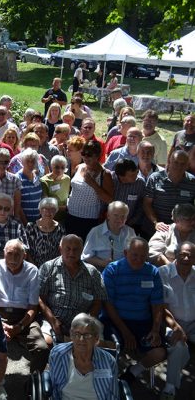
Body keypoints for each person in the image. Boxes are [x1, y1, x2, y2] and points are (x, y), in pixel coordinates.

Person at [101, 237, 167, 384]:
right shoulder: (112, 270)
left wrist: (155, 329)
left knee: (159, 352)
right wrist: (125, 331)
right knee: (110, 349)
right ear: (125, 253)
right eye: (134, 255)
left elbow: (157, 305)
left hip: (142, 322)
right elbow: (108, 304)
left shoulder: (152, 272)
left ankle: (133, 372)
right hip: (114, 321)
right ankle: (107, 381)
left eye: (143, 256)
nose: (138, 259)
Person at [0, 239, 49, 372]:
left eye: (17, 255)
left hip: (23, 317)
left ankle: (33, 384)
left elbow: (32, 307)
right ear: (4, 253)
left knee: (41, 348)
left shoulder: (32, 271)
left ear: (24, 255)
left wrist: (19, 327)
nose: (13, 258)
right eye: (10, 254)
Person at [39, 235, 107, 341]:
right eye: (68, 249)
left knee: (94, 347)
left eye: (76, 249)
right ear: (60, 249)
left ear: (82, 251)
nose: (72, 253)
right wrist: (53, 321)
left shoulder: (92, 272)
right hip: (53, 319)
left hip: (84, 322)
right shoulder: (48, 267)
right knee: (46, 344)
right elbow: (40, 298)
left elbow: (98, 301)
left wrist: (86, 322)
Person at [48, 313, 119, 400]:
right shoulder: (58, 354)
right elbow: (53, 390)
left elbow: (113, 394)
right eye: (77, 334)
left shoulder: (109, 361)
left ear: (96, 338)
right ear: (71, 335)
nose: (81, 339)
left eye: (87, 335)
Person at [158, 241, 195, 399]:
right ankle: (169, 387)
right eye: (183, 254)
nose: (186, 258)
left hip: (193, 324)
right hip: (170, 322)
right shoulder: (163, 273)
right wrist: (176, 327)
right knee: (179, 346)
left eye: (190, 255)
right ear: (176, 255)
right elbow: (159, 306)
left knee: (182, 350)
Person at [65, 140, 113, 241]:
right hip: (71, 215)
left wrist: (93, 184)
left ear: (97, 155)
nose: (85, 157)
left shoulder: (105, 174)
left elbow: (109, 200)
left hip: (89, 220)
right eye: (83, 154)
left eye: (89, 154)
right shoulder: (79, 167)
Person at [143, 150, 195, 237]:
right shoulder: (155, 178)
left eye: (182, 164)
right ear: (169, 162)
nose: (179, 166)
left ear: (187, 165)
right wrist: (156, 222)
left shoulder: (192, 181)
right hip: (156, 230)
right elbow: (146, 204)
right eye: (176, 162)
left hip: (182, 232)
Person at [82, 201, 135, 270]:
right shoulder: (96, 232)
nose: (119, 219)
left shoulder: (130, 232)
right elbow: (86, 257)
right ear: (108, 215)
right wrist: (102, 263)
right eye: (116, 215)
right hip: (101, 272)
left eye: (123, 216)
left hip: (124, 273)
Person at [25, 197, 65, 266]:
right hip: (34, 265)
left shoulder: (60, 228)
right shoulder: (31, 227)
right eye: (45, 209)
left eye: (52, 209)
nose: (48, 212)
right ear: (40, 211)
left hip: (53, 266)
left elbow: (62, 250)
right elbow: (26, 250)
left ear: (56, 211)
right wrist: (33, 266)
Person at [111, 159, 146, 230]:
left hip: (130, 225)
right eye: (132, 175)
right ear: (121, 177)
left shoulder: (140, 183)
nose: (136, 175)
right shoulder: (111, 180)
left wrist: (131, 222)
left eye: (137, 172)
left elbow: (141, 205)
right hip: (110, 222)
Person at [16, 148, 43, 225]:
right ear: (22, 162)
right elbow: (18, 205)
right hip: (24, 223)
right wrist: (26, 223)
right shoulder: (18, 178)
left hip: (38, 222)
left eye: (33, 161)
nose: (31, 164)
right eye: (28, 161)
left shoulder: (38, 176)